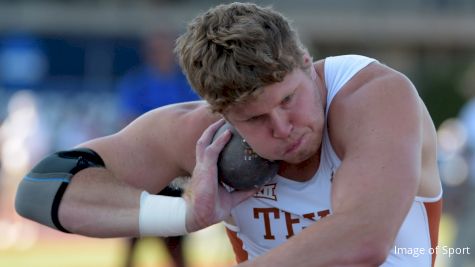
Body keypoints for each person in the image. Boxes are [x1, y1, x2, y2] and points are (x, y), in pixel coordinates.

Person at [15, 2, 442, 266]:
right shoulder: (198, 133)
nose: (283, 129)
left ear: (308, 65)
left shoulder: (375, 96)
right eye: (255, 119)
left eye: (289, 99)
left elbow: (364, 240)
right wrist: (184, 215)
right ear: (221, 114)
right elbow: (41, 190)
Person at [116, 31, 199, 267]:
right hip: (144, 171)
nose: (160, 55)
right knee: (133, 236)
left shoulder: (184, 84)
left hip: (174, 174)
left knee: (176, 241)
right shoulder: (137, 84)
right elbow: (127, 125)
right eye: (155, 50)